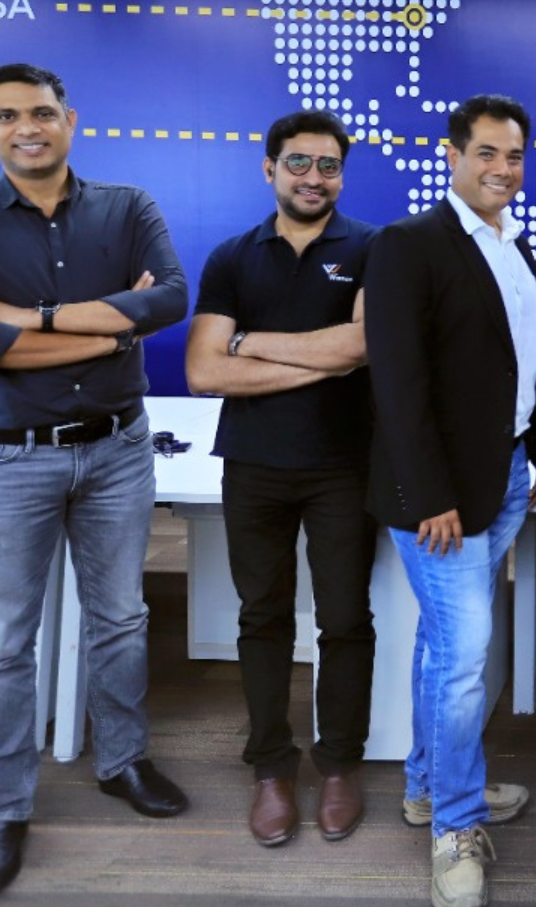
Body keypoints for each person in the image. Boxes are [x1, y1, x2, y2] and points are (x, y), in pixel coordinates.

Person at [0, 63, 190, 897]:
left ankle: (123, 761)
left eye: (40, 112)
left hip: (116, 451)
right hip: (6, 459)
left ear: (70, 119)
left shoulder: (127, 208)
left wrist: (29, 321)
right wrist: (109, 332)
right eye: (7, 116)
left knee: (121, 618)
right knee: (2, 646)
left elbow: (169, 300)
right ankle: (4, 811)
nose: (26, 128)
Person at [364, 95, 536, 907]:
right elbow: (398, 382)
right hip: (437, 496)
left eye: (514, 156)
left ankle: (427, 786)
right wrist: (429, 495)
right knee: (466, 654)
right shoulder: (409, 245)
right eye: (486, 153)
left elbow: (525, 361)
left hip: (504, 476)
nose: (502, 169)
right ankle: (455, 826)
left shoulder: (513, 245)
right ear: (452, 155)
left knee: (444, 647)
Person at [185, 110, 377, 847]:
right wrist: (319, 357)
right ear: (269, 169)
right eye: (299, 162)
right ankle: (271, 768)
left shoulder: (372, 248)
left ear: (342, 176)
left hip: (343, 466)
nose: (313, 177)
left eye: (328, 165)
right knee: (261, 617)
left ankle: (339, 764)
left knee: (344, 620)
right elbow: (205, 371)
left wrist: (249, 343)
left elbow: (360, 348)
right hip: (254, 466)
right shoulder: (233, 257)